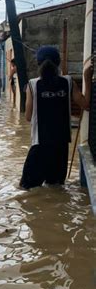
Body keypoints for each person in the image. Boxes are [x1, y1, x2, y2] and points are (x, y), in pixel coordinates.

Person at [20, 46, 92, 189]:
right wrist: (87, 80)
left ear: (38, 64)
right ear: (58, 62)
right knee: (55, 188)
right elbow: (86, 105)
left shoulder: (32, 85)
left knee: (26, 189)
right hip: (61, 146)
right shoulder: (68, 82)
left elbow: (28, 117)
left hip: (40, 145)